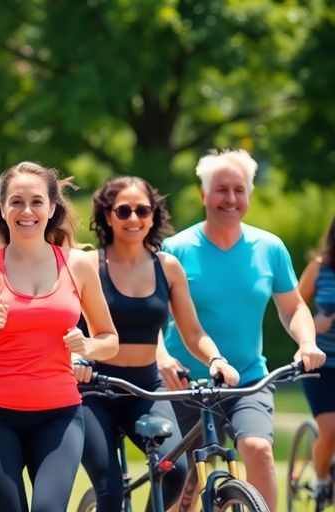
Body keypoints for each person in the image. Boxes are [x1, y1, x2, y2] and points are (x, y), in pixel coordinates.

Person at [0, 161, 119, 512]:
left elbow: (110, 339)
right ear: (2, 209)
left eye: (37, 202)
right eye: (17, 202)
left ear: (52, 208)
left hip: (59, 415)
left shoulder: (78, 265)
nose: (27, 211)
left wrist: (88, 346)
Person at [159, 149, 324, 511]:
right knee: (179, 486)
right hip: (184, 384)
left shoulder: (269, 248)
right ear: (203, 194)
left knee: (258, 449)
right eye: (220, 189)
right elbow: (150, 316)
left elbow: (294, 307)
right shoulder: (176, 250)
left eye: (239, 190)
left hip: (247, 378)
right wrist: (163, 359)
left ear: (248, 195)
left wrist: (307, 341)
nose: (230, 199)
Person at [76, 176, 239, 512]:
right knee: (109, 490)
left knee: (174, 471)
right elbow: (66, 326)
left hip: (146, 387)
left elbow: (194, 333)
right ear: (108, 216)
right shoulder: (88, 266)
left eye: (142, 210)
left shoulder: (168, 267)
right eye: (123, 211)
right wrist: (75, 362)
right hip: (94, 389)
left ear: (152, 215)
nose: (134, 219)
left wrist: (216, 360)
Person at [298, 213, 335, 501]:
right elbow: (292, 308)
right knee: (331, 428)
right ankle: (322, 479)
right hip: (320, 365)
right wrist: (313, 320)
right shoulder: (319, 268)